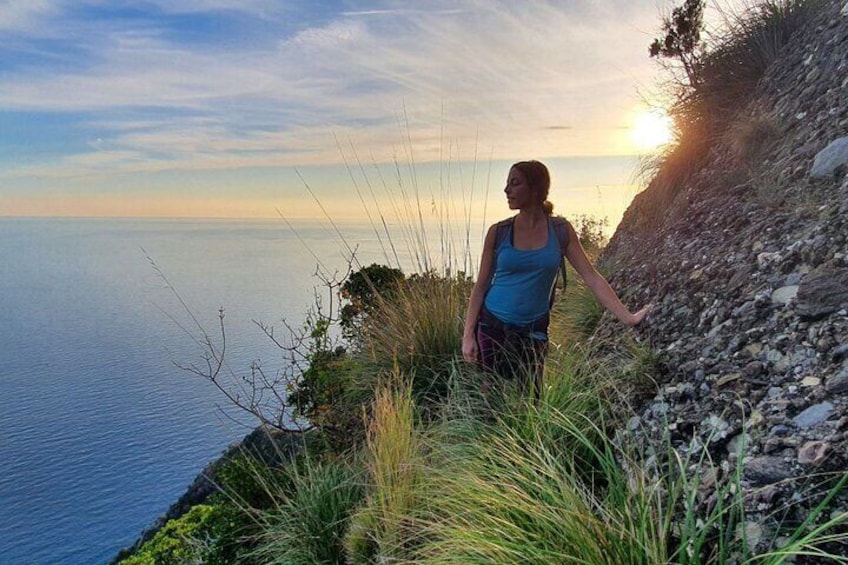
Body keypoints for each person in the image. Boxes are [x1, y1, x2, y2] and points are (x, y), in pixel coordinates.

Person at [461, 160, 652, 400]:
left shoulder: (560, 231)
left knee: (531, 401)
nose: (506, 190)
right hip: (492, 327)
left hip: (533, 331)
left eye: (515, 183)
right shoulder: (498, 232)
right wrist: (468, 335)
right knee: (491, 402)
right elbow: (480, 287)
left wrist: (629, 317)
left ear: (535, 189)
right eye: (507, 183)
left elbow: (591, 277)